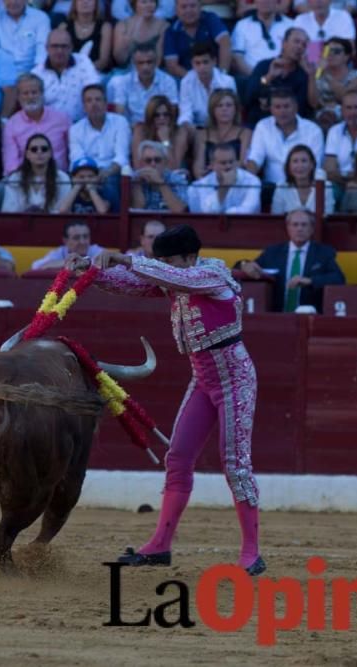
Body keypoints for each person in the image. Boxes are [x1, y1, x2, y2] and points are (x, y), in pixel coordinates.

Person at [68, 224, 265, 575]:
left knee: (235, 463)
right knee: (177, 457)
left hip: (235, 379)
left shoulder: (212, 273)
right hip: (204, 380)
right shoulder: (174, 275)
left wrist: (128, 259)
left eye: (170, 260)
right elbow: (132, 284)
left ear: (190, 256)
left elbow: (173, 278)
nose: (166, 268)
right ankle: (159, 545)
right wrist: (90, 271)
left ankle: (251, 553)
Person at [237, 208, 346, 312]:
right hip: (276, 315)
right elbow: (244, 267)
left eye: (304, 225)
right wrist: (244, 264)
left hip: (308, 315)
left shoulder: (323, 253)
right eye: (295, 224)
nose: (299, 229)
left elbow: (338, 278)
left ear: (312, 229)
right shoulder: (273, 252)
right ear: (288, 228)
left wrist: (310, 281)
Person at [69, 84, 130, 211]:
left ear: (106, 103)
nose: (94, 104)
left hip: (113, 172)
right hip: (87, 173)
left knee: (109, 183)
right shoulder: (75, 129)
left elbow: (121, 156)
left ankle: (116, 223)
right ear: (84, 106)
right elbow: (78, 158)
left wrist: (106, 173)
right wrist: (92, 176)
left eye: (98, 99)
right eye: (89, 100)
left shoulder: (120, 122)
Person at [245, 88, 324, 185]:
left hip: (302, 187)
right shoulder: (263, 126)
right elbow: (255, 159)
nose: (282, 111)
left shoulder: (313, 130)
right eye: (277, 107)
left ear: (296, 107)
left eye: (286, 106)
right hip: (271, 187)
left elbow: (315, 165)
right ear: (271, 109)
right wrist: (248, 180)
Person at [2, 74, 70, 174]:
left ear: (42, 94)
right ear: (18, 97)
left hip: (59, 178)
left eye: (34, 92)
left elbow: (72, 152)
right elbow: (11, 164)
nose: (30, 97)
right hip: (25, 180)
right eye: (25, 93)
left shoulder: (62, 119)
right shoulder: (11, 125)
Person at [31, 28, 102, 123]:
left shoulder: (83, 62)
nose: (59, 50)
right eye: (55, 46)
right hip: (50, 127)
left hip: (82, 124)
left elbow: (94, 92)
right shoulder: (36, 74)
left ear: (71, 47)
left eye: (64, 46)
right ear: (46, 48)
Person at [244, 27, 312, 125]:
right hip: (260, 123)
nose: (300, 47)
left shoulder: (304, 73)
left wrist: (311, 75)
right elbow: (249, 96)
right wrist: (268, 77)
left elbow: (304, 107)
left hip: (291, 125)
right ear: (284, 43)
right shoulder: (264, 65)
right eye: (296, 41)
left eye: (304, 45)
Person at [107, 44, 179, 125]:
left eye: (149, 62)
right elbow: (119, 112)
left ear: (156, 62)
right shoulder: (123, 82)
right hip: (133, 129)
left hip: (160, 126)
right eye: (141, 63)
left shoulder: (168, 81)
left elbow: (172, 111)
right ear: (133, 63)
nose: (145, 67)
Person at [306, 37, 357, 127]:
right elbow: (314, 103)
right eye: (327, 51)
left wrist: (325, 74)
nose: (331, 54)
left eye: (336, 51)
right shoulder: (317, 76)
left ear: (346, 56)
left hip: (350, 116)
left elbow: (345, 97)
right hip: (322, 117)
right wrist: (312, 76)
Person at [1, 133, 73, 213]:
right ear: (27, 154)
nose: (39, 152)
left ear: (50, 154)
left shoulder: (62, 178)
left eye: (44, 149)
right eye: (34, 149)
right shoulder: (15, 178)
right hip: (22, 223)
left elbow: (63, 213)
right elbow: (9, 211)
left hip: (52, 223)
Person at [191, 88, 250, 180]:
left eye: (229, 105)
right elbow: (198, 165)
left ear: (236, 109)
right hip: (208, 180)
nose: (224, 109)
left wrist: (217, 168)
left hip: (235, 180)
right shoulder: (202, 134)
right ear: (212, 110)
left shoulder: (245, 133)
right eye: (219, 105)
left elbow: (243, 163)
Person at [177, 40, 236, 130]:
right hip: (196, 128)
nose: (202, 67)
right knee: (183, 131)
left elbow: (231, 112)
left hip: (221, 127)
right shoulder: (186, 82)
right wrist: (187, 127)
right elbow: (185, 113)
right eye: (197, 63)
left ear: (214, 61)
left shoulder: (227, 82)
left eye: (205, 62)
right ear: (192, 64)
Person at [187, 142, 261, 213]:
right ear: (212, 165)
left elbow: (248, 210)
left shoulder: (252, 182)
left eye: (231, 162)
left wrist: (223, 215)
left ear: (236, 162)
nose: (228, 166)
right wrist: (223, 188)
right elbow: (207, 213)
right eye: (223, 163)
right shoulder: (199, 187)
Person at [162, 0, 230, 77]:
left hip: (215, 74)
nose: (189, 10)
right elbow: (172, 65)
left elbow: (225, 43)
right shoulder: (171, 31)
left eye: (193, 6)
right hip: (186, 78)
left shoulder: (210, 18)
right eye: (183, 7)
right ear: (176, 10)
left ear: (200, 7)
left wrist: (222, 75)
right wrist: (195, 81)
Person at [0, 0, 51, 73]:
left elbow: (42, 50)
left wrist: (35, 73)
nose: (13, 2)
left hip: (32, 71)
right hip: (1, 71)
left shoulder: (41, 18)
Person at [230, 0, 293, 76]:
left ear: (277, 1)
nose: (265, 1)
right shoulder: (242, 25)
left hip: (284, 77)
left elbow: (301, 53)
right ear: (255, 2)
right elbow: (237, 58)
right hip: (252, 77)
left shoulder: (291, 24)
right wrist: (256, 77)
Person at [271, 144, 334, 214]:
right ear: (289, 166)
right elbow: (277, 217)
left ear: (312, 165)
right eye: (295, 161)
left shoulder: (325, 186)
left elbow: (327, 215)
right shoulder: (281, 187)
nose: (299, 166)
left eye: (304, 161)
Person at [130, 140, 188, 211]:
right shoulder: (135, 178)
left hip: (170, 220)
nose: (153, 164)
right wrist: (137, 186)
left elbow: (181, 210)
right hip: (145, 221)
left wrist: (161, 183)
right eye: (148, 160)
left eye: (157, 160)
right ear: (141, 164)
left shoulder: (176, 178)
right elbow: (137, 209)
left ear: (165, 162)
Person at [132, 95, 186, 169]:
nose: (162, 118)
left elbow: (174, 168)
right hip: (146, 176)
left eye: (165, 114)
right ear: (150, 117)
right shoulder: (140, 130)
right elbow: (138, 166)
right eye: (157, 115)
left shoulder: (179, 132)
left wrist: (165, 141)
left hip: (169, 179)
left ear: (171, 116)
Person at [293, 0, 355, 65]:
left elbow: (349, 49)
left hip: (337, 68)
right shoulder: (300, 20)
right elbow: (296, 51)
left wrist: (314, 50)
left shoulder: (343, 17)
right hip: (308, 69)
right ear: (308, 2)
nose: (318, 2)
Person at [59, 0, 112, 73]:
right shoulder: (63, 27)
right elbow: (60, 56)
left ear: (96, 4)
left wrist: (83, 70)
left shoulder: (105, 27)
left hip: (96, 73)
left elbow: (103, 61)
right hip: (68, 72)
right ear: (75, 3)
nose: (85, 2)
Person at [112, 0, 168, 67]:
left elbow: (159, 60)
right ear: (135, 4)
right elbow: (120, 60)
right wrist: (128, 41)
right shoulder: (122, 26)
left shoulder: (163, 26)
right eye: (144, 2)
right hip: (127, 71)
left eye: (152, 1)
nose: (149, 5)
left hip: (153, 71)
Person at [32, 220, 102, 270]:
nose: (82, 242)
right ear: (65, 241)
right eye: (76, 238)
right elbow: (36, 267)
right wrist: (74, 263)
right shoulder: (60, 252)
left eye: (85, 236)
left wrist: (80, 263)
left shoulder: (95, 250)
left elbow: (111, 265)